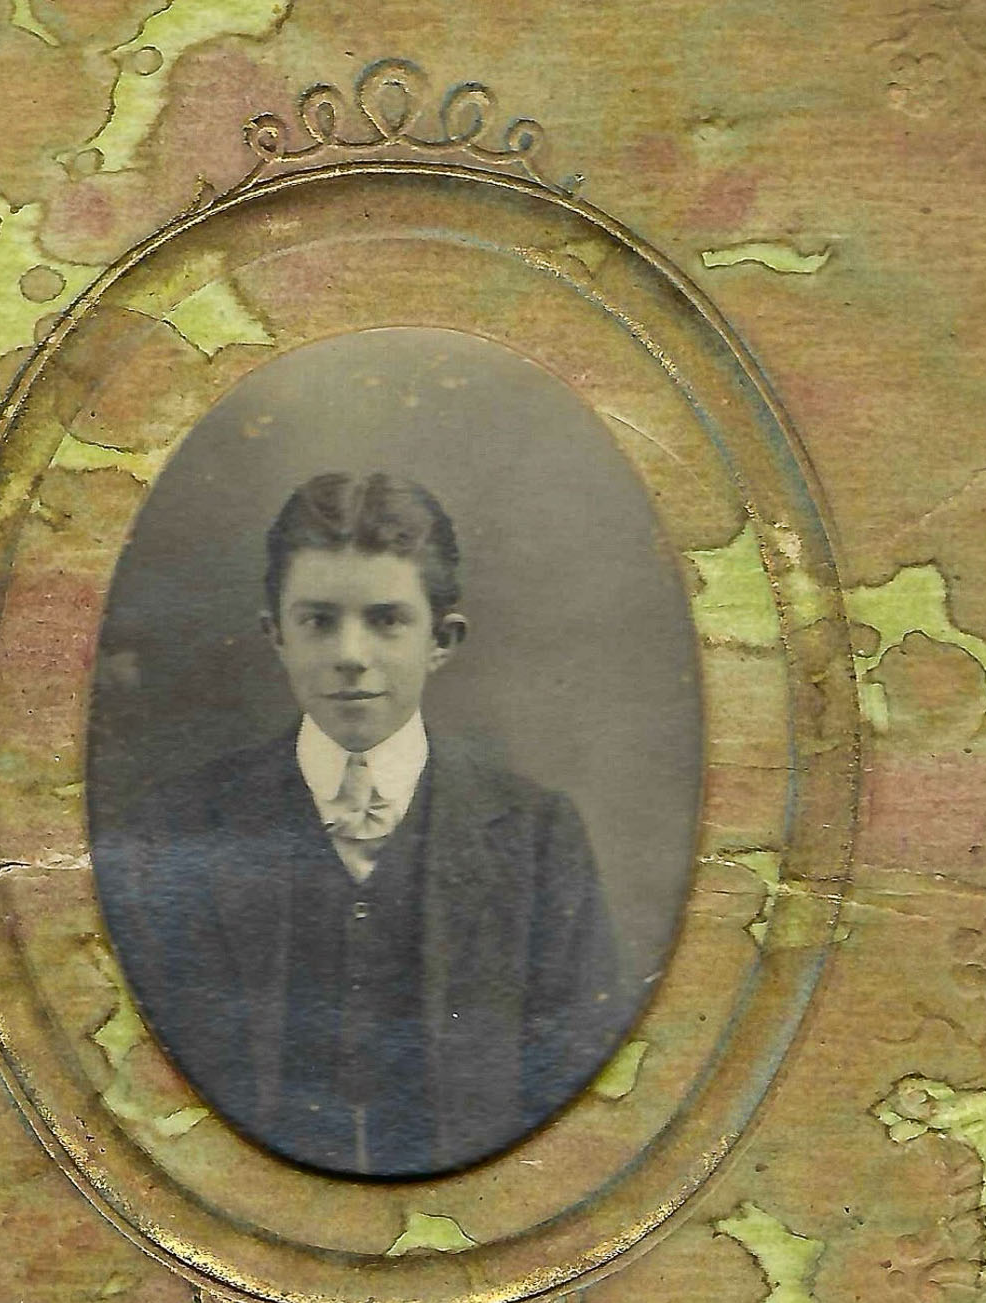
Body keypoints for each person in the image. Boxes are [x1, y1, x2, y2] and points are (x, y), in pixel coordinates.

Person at [97, 471, 630, 1179]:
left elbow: (583, 1096)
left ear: (442, 638)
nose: (351, 654)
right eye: (318, 620)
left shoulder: (537, 839)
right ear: (276, 634)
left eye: (386, 620)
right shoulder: (176, 832)